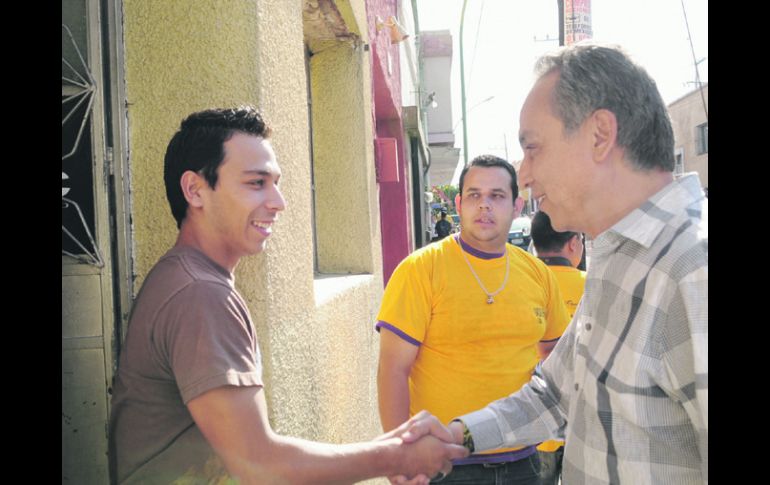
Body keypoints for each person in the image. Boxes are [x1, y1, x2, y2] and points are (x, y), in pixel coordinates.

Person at [108, 107, 468, 484]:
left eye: (276, 182)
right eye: (256, 183)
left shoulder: (190, 279)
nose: (278, 201)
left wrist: (390, 451)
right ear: (195, 190)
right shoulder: (200, 295)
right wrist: (395, 457)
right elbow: (260, 465)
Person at [426, 43, 707, 484]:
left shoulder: (694, 272)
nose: (524, 173)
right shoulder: (617, 256)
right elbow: (556, 394)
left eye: (533, 147)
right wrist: (457, 435)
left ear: (599, 134)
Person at [376, 154, 570, 484]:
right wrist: (399, 456)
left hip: (524, 461)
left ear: (517, 206)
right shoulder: (422, 269)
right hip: (444, 462)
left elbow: (555, 360)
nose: (484, 206)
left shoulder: (538, 274)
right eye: (474, 195)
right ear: (458, 203)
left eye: (496, 196)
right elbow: (393, 369)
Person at [529, 210, 587, 485]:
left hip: (533, 418)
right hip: (583, 420)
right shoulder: (592, 285)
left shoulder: (522, 284)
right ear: (574, 243)